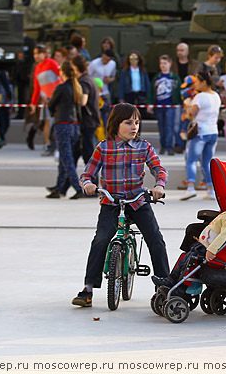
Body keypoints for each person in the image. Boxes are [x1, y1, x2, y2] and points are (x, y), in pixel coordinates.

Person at [72, 103, 170, 308]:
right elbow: (87, 173)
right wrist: (88, 184)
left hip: (137, 201)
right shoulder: (103, 147)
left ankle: (165, 286)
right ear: (116, 124)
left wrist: (159, 185)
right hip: (111, 202)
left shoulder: (144, 147)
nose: (134, 127)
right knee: (101, 239)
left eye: (137, 122)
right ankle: (88, 288)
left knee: (155, 239)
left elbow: (158, 169)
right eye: (128, 122)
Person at [151, 196, 226, 290]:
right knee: (184, 257)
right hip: (202, 244)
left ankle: (175, 283)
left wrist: (211, 250)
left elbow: (223, 236)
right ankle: (171, 279)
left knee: (188, 261)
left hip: (207, 247)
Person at [46, 61, 88, 199]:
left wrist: (53, 112)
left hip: (63, 124)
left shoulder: (61, 88)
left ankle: (77, 187)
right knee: (66, 158)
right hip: (74, 125)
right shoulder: (77, 87)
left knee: (66, 159)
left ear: (62, 73)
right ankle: (59, 188)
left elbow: (51, 104)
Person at [182, 71, 221, 200]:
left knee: (191, 160)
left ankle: (190, 187)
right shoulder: (216, 95)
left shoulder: (200, 97)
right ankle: (211, 189)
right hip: (213, 131)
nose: (196, 84)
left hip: (200, 131)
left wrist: (187, 109)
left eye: (198, 82)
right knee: (207, 162)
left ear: (204, 82)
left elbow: (191, 114)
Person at [30, 44, 62, 157]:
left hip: (58, 98)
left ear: (44, 54)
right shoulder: (37, 68)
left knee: (56, 122)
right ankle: (48, 144)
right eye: (34, 54)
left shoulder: (51, 63)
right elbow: (37, 87)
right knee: (48, 121)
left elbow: (61, 77)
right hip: (47, 100)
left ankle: (56, 145)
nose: (36, 56)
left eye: (39, 53)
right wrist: (33, 103)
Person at [147, 55, 181, 155]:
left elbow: (179, 91)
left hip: (170, 106)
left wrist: (179, 102)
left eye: (165, 63)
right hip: (159, 106)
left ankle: (170, 147)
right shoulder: (157, 77)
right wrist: (150, 103)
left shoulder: (174, 77)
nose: (163, 65)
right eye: (161, 63)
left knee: (169, 126)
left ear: (170, 64)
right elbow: (151, 91)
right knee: (161, 126)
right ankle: (163, 146)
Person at [171, 42, 202, 152]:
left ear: (187, 52)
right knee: (179, 122)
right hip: (179, 97)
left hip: (193, 98)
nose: (180, 52)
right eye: (178, 50)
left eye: (182, 50)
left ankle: (191, 145)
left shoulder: (195, 65)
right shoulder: (173, 65)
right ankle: (180, 144)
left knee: (191, 122)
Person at [88, 48, 117, 128]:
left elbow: (113, 76)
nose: (106, 61)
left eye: (108, 60)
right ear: (103, 56)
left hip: (105, 91)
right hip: (95, 92)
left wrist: (109, 79)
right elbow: (88, 76)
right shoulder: (94, 64)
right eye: (105, 59)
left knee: (108, 113)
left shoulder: (112, 64)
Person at [99, 37, 120, 102]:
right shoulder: (98, 57)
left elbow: (119, 70)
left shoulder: (115, 57)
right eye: (104, 43)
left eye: (108, 43)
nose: (106, 45)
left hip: (111, 84)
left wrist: (111, 77)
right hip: (100, 83)